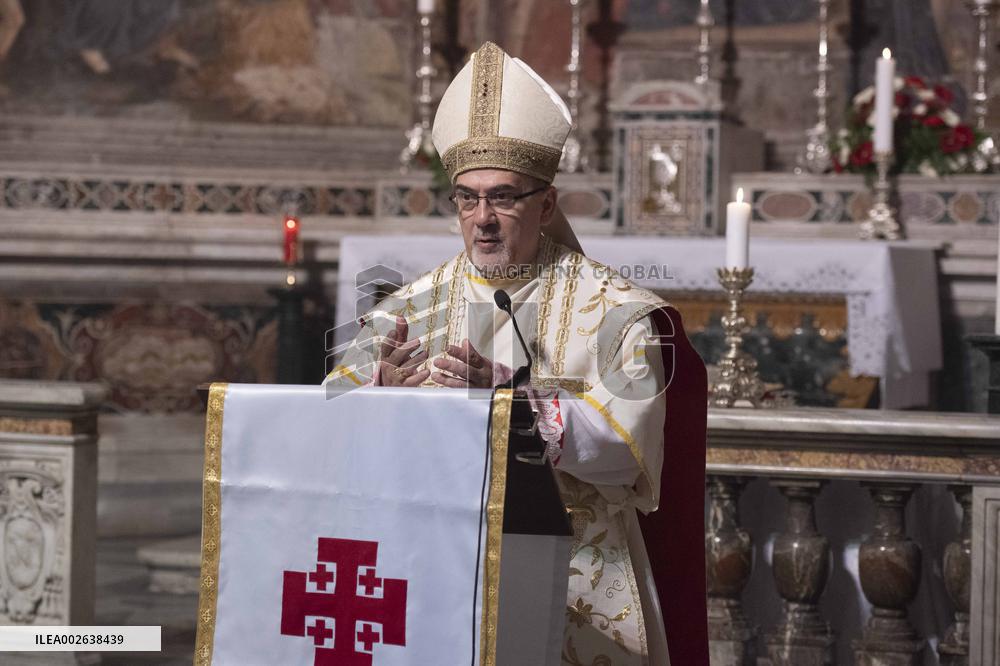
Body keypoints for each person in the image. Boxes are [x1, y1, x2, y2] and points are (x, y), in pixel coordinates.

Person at [326, 41, 707, 665]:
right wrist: (378, 404)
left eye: (504, 196)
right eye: (467, 198)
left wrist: (517, 402)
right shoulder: (403, 311)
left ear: (547, 204)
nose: (483, 219)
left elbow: (624, 455)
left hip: (581, 577)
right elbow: (333, 438)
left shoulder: (617, 312)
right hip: (432, 567)